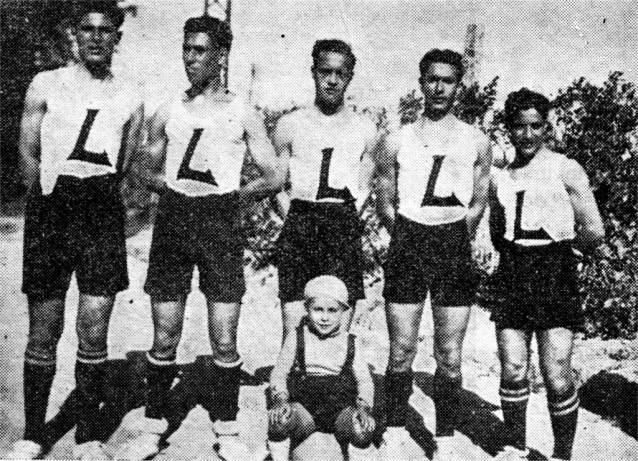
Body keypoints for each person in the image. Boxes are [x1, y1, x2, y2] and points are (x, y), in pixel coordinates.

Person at [113, 15, 281, 461]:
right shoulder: (168, 108)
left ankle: (227, 427)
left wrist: (232, 198)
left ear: (221, 56)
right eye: (186, 49)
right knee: (165, 331)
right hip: (174, 220)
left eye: (200, 50)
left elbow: (274, 175)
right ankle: (153, 424)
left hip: (220, 223)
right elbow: (142, 167)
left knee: (223, 335)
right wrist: (170, 189)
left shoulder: (242, 111)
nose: (191, 59)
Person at [7, 2, 144, 459]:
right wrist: (46, 204)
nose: (96, 38)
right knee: (44, 328)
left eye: (106, 31)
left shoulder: (130, 94)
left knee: (94, 326)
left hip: (100, 210)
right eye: (88, 29)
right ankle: (32, 433)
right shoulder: (46, 84)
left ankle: (87, 435)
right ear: (74, 34)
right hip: (53, 209)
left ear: (117, 38)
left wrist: (97, 201)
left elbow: (125, 162)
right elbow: (28, 153)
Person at [376, 48, 492, 458]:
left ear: (459, 86)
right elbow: (385, 202)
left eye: (448, 81)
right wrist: (409, 237)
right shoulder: (397, 138)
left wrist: (454, 238)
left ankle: (444, 436)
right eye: (432, 79)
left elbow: (478, 203)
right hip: (409, 241)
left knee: (449, 353)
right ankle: (394, 426)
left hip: (452, 245)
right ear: (421, 83)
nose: (440, 88)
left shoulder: (476, 140)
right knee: (402, 348)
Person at [489, 88, 605, 460]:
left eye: (535, 126)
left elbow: (594, 229)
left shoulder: (565, 168)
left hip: (555, 272)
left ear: (546, 127)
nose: (527, 135)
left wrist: (567, 251)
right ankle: (515, 446)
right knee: (513, 367)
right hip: (513, 270)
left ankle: (561, 454)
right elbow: (497, 229)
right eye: (519, 127)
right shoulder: (501, 176)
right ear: (508, 128)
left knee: (556, 372)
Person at [272, 39, 380, 340]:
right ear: (313, 72)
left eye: (340, 73)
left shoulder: (365, 127)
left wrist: (346, 218)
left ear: (349, 77)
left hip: (341, 224)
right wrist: (293, 217)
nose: (332, 80)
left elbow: (365, 186)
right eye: (325, 72)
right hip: (300, 222)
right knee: (294, 325)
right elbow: (276, 184)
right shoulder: (290, 123)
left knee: (337, 328)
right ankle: (293, 369)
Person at [267, 275, 376, 461]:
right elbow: (279, 373)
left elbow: (364, 381)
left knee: (362, 430)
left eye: (332, 310)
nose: (325, 318)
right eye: (318, 309)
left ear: (343, 311)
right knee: (279, 421)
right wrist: (281, 399)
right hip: (304, 410)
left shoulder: (350, 342)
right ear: (307, 309)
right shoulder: (297, 337)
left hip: (340, 411)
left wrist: (364, 407)